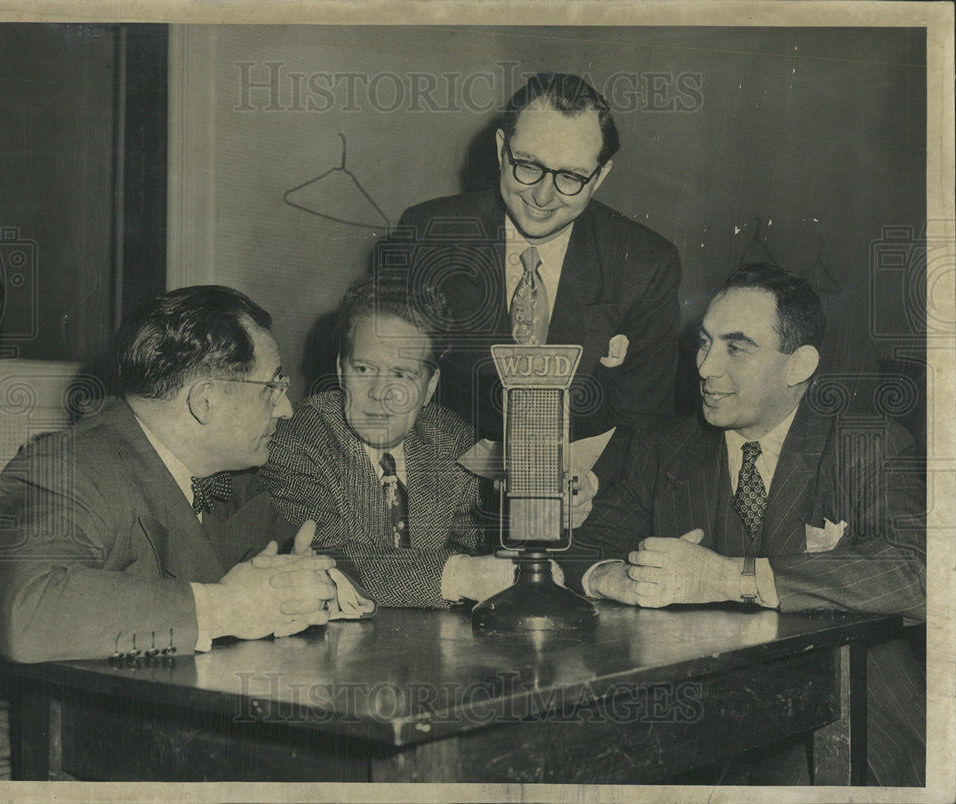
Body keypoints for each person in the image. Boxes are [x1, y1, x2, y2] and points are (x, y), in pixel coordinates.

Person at [565, 264, 925, 786]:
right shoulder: (665, 448)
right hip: (700, 722)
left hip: (848, 722)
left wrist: (733, 577)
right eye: (704, 343)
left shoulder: (865, 444)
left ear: (798, 365)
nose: (707, 367)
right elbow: (576, 548)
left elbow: (925, 571)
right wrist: (610, 576)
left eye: (737, 348)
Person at [0, 285, 337, 664]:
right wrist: (228, 606)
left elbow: (319, 549)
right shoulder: (65, 468)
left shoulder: (237, 475)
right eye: (271, 388)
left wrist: (315, 582)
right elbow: (26, 614)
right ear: (205, 401)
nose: (286, 410)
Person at [392, 71, 682, 494]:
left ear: (599, 177)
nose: (543, 197)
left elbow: (647, 423)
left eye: (570, 177)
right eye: (528, 166)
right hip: (442, 483)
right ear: (500, 150)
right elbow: (392, 383)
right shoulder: (427, 235)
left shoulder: (646, 263)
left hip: (586, 494)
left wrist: (587, 485)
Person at [260, 276, 516, 608]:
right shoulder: (299, 439)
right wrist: (459, 576)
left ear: (429, 387)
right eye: (364, 369)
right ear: (340, 370)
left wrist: (536, 509)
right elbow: (327, 557)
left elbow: (481, 539)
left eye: (401, 375)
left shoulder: (450, 440)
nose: (380, 393)